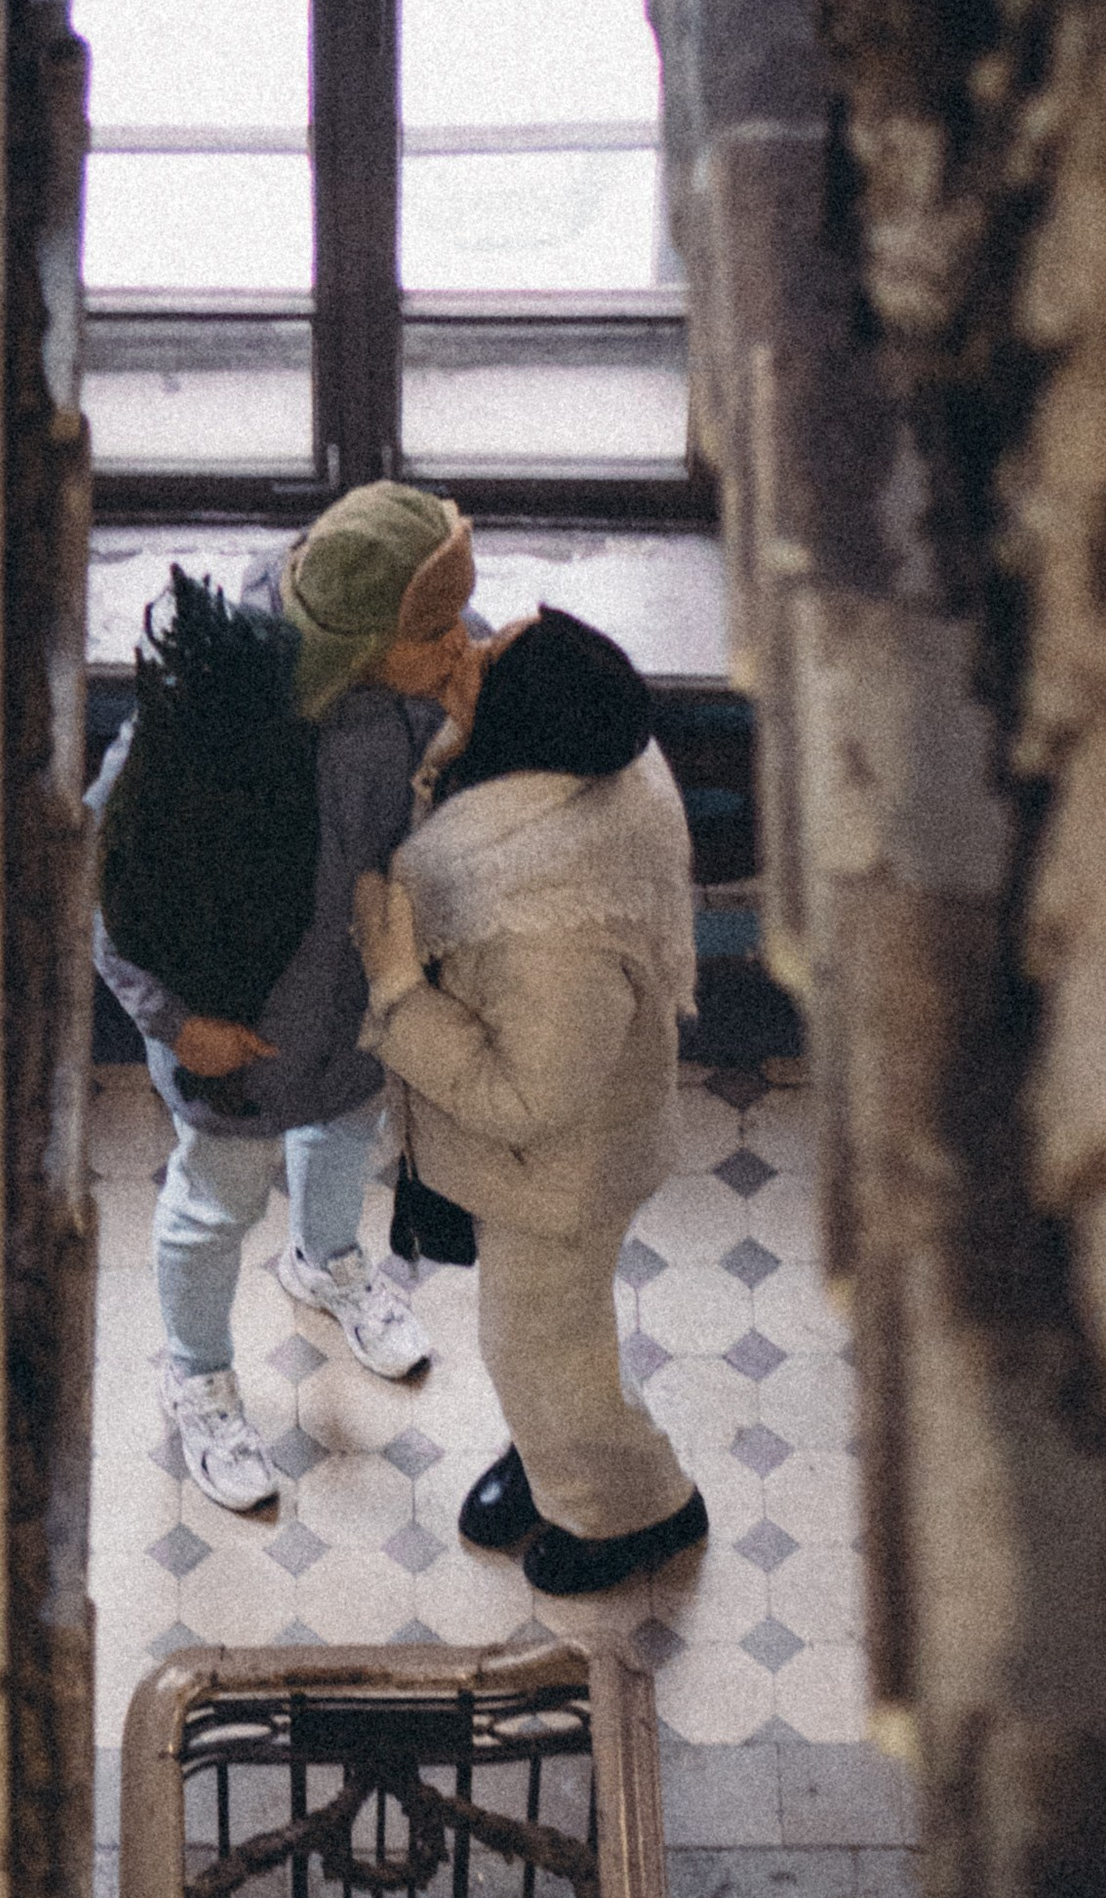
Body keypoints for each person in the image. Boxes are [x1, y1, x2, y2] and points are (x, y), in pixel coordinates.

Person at [93, 481, 480, 1513]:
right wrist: (175, 1023)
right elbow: (103, 870)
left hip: (355, 1013)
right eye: (436, 630)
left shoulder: (429, 670)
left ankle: (327, 1261)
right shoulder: (215, 705)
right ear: (361, 640)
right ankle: (195, 1371)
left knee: (345, 1138)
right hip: (239, 1038)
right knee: (213, 1205)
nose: (462, 643)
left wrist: (470, 733)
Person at [351, 605, 710, 1596]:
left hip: (560, 1175)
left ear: (522, 722)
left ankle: (634, 1509)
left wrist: (397, 991)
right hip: (556, 1154)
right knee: (550, 1345)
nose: (466, 651)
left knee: (539, 1353)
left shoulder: (551, 926)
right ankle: (551, 1460)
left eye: (486, 658)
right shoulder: (592, 743)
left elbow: (523, 1100)